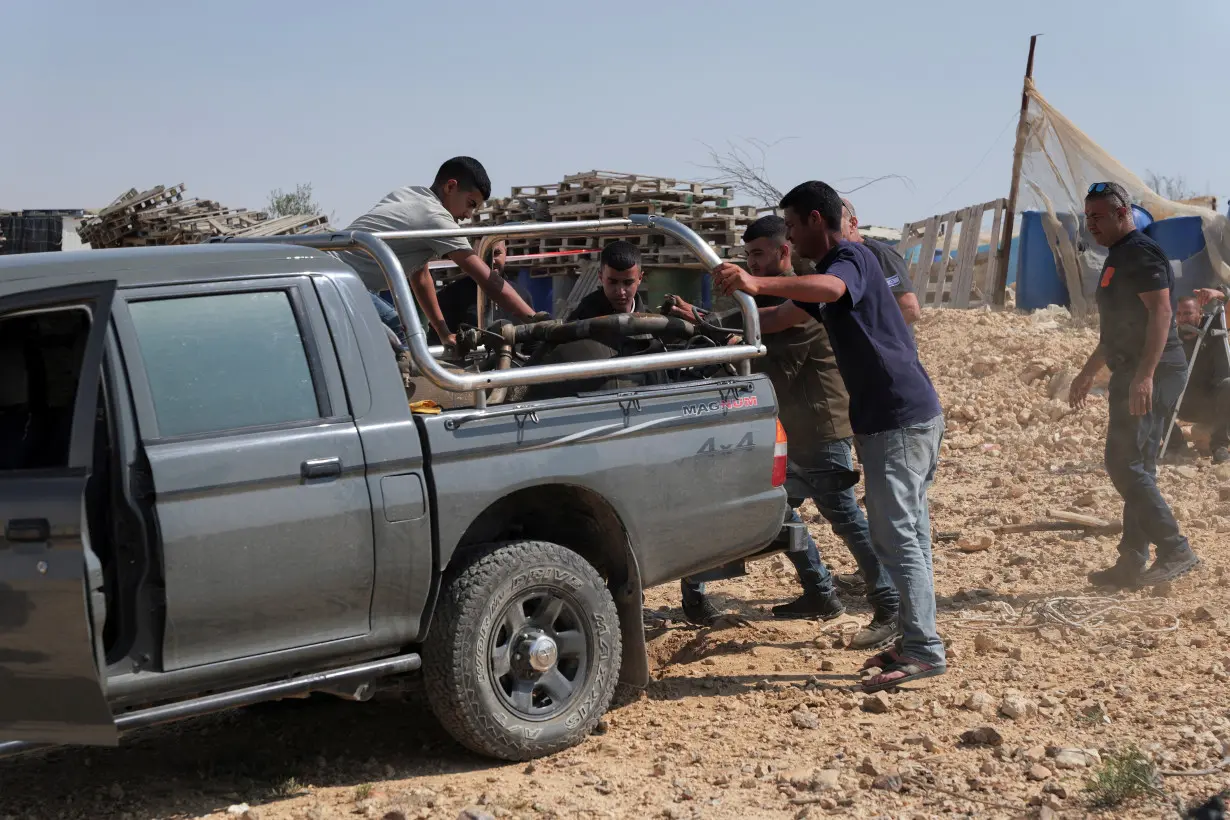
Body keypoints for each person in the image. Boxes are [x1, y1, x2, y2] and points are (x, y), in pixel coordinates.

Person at [711, 180, 947, 693]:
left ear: (817, 220)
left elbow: (829, 291)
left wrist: (758, 281)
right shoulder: (829, 272)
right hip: (898, 417)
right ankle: (915, 638)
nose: (790, 238)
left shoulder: (850, 259)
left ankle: (924, 649)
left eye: (792, 226)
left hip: (898, 419)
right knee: (907, 533)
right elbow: (784, 316)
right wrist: (716, 327)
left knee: (896, 535)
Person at [670, 216, 899, 648]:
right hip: (793, 429)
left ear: (783, 252)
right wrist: (704, 319)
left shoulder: (803, 295)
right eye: (748, 254)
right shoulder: (776, 295)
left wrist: (717, 332)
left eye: (759, 254)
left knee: (842, 517)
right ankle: (819, 593)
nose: (752, 263)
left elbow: (765, 346)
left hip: (819, 427)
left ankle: (888, 602)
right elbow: (750, 323)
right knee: (778, 511)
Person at [1069, 181, 1200, 588]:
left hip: (1154, 371)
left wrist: (1144, 375)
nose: (1091, 224)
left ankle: (1175, 548)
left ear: (1123, 214)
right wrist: (1089, 370)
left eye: (1098, 216)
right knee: (1137, 466)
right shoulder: (1116, 257)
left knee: (1125, 463)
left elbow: (1161, 315)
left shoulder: (1141, 254)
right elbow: (1120, 329)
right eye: (1087, 216)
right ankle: (1132, 559)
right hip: (1132, 369)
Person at [334, 157, 537, 349]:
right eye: (470, 204)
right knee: (403, 336)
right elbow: (487, 280)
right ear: (450, 187)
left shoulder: (410, 195)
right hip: (340, 283)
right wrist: (536, 321)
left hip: (328, 273)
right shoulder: (436, 218)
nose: (468, 215)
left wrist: (443, 333)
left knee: (405, 335)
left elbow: (421, 277)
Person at [1168, 290, 1230, 464]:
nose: (1183, 318)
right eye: (1179, 314)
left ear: (1200, 314)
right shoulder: (1172, 336)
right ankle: (1175, 444)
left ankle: (1220, 447)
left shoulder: (1215, 325)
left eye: (1188, 313)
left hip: (1217, 403)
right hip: (1184, 403)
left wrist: (1220, 294)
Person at [430, 240, 535, 342]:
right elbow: (437, 344)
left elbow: (532, 343)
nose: (492, 261)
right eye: (484, 255)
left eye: (496, 253)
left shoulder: (522, 294)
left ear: (505, 252)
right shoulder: (449, 296)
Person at [840, 198, 921, 326]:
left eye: (834, 224)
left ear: (853, 223)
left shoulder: (880, 254)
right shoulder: (838, 259)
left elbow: (909, 310)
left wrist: (874, 340)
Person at [566, 241, 647, 320]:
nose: (620, 292)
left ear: (640, 278)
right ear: (601, 277)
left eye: (628, 283)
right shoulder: (581, 320)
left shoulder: (651, 322)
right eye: (613, 282)